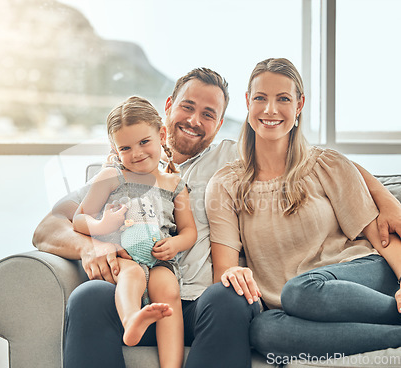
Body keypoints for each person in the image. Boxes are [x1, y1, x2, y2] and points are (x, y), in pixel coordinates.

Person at [33, 66, 401, 368]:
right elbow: (49, 228)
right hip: (133, 296)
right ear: (168, 106)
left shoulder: (231, 163)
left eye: (208, 114)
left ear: (221, 122)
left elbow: (320, 162)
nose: (195, 120)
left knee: (230, 297)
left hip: (200, 303)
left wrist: (387, 200)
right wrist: (87, 246)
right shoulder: (120, 165)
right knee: (87, 297)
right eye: (188, 107)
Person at [205, 57, 401, 361]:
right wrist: (234, 274)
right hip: (293, 303)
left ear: (299, 105)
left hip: (361, 275)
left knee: (300, 291)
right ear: (247, 102)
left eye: (283, 98)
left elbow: (379, 235)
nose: (270, 110)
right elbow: (226, 270)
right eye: (260, 98)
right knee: (263, 331)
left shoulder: (327, 164)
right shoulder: (225, 185)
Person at [72, 96, 197, 367]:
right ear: (115, 150)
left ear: (161, 134)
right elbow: (79, 218)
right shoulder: (111, 176)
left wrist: (174, 245)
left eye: (144, 142)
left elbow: (189, 231)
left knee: (168, 291)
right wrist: (103, 226)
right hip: (125, 257)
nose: (137, 153)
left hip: (160, 259)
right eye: (126, 147)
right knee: (129, 276)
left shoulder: (175, 184)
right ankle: (131, 322)